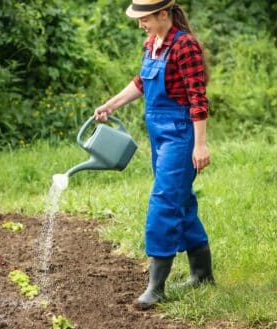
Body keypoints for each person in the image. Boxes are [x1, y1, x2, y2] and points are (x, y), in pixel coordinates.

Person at [93, 0, 215, 309]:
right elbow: (141, 82)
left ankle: (156, 287)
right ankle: (202, 274)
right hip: (160, 135)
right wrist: (111, 104)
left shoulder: (184, 46)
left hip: (180, 134)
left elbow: (197, 98)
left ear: (164, 14)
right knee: (180, 200)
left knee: (163, 201)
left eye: (145, 18)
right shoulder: (153, 43)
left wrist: (200, 145)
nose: (140, 24)